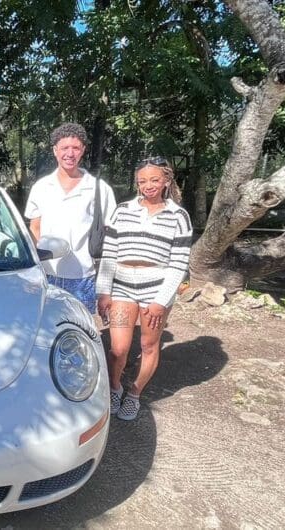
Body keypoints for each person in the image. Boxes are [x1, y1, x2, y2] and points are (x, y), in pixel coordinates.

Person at [96, 157, 192, 421]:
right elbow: (109, 254)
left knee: (149, 345)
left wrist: (162, 300)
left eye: (154, 180)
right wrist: (103, 291)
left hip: (156, 288)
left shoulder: (178, 216)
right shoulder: (122, 210)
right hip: (123, 287)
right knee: (118, 348)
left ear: (166, 181)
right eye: (142, 181)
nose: (148, 185)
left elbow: (179, 262)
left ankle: (135, 393)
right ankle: (115, 388)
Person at [24, 122, 116, 313]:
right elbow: (35, 230)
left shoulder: (99, 188)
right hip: (46, 274)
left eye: (75, 148)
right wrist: (31, 270)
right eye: (65, 147)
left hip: (82, 276)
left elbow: (110, 236)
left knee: (80, 330)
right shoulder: (41, 187)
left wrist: (106, 285)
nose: (70, 153)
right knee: (45, 330)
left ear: (83, 150)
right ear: (55, 151)